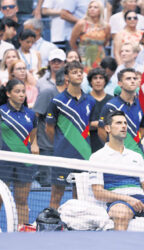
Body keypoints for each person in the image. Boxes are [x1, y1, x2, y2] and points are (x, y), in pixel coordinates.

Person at [45, 61, 96, 209]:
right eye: (74, 72)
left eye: (81, 71)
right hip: (62, 156)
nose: (79, 74)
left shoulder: (90, 101)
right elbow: (49, 129)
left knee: (80, 197)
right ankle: (51, 225)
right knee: (56, 196)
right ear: (67, 77)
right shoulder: (57, 102)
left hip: (84, 156)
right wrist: (61, 144)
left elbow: (89, 125)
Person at [0, 78, 38, 227]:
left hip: (24, 162)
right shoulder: (1, 112)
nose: (21, 94)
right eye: (17, 91)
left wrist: (34, 145)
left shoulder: (31, 114)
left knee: (22, 199)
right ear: (8, 94)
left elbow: (33, 135)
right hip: (4, 161)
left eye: (23, 91)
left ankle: (23, 230)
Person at [98, 68, 144, 156]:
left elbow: (143, 128)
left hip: (137, 152)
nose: (132, 81)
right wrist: (115, 146)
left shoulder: (143, 104)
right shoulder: (110, 106)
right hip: (115, 154)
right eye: (128, 79)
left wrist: (133, 142)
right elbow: (101, 131)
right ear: (120, 83)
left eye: (134, 78)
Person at [32, 67, 67, 186]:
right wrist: (34, 143)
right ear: (67, 79)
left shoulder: (72, 97)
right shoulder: (47, 93)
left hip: (63, 148)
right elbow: (34, 117)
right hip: (46, 147)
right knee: (47, 184)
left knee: (63, 184)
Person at [70, 0, 111, 74]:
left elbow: (105, 41)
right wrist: (79, 54)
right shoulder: (81, 24)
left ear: (100, 10)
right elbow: (72, 42)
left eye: (95, 7)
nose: (92, 9)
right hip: (84, 56)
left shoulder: (106, 26)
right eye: (90, 7)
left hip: (99, 56)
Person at [87, 68, 113, 153]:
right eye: (95, 78)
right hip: (89, 143)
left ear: (105, 81)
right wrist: (99, 124)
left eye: (101, 78)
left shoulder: (112, 101)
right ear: (91, 81)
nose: (98, 81)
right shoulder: (84, 100)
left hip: (108, 145)